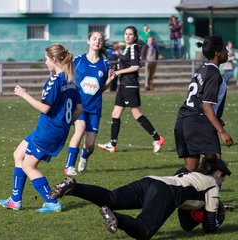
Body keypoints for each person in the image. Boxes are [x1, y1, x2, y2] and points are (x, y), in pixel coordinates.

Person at [49, 154, 231, 239]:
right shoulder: (213, 186)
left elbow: (185, 225)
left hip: (151, 181)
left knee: (111, 197)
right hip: (165, 191)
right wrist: (217, 221)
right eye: (223, 177)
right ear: (219, 174)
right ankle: (116, 218)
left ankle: (74, 187)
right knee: (143, 231)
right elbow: (209, 228)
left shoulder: (189, 173)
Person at [0, 43, 82, 213]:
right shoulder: (70, 79)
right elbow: (79, 108)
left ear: (55, 59)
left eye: (46, 59)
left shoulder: (55, 80)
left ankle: (52, 202)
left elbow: (45, 108)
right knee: (18, 154)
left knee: (29, 166)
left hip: (48, 131)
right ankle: (15, 199)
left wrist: (24, 95)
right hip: (53, 129)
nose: (45, 62)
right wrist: (66, 123)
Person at [98, 26, 165, 154]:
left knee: (136, 114)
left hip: (130, 86)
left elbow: (135, 66)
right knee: (115, 114)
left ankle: (158, 138)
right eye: (126, 34)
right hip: (123, 86)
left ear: (135, 37)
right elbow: (126, 64)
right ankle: (112, 144)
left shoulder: (133, 48)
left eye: (130, 34)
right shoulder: (127, 49)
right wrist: (117, 67)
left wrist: (118, 71)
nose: (128, 36)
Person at [174, 35, 233, 174]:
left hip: (184, 120)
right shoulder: (213, 73)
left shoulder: (202, 68)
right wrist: (222, 132)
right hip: (198, 121)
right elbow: (206, 106)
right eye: (225, 49)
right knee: (216, 168)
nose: (227, 52)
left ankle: (170, 190)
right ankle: (210, 196)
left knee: (190, 169)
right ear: (218, 53)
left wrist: (217, 119)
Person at [63, 32, 116, 175]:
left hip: (94, 108)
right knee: (80, 129)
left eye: (100, 40)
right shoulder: (78, 60)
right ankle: (69, 166)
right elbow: (67, 76)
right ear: (88, 41)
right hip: (79, 106)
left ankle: (84, 156)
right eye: (94, 39)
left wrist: (109, 81)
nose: (97, 42)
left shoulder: (105, 64)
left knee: (90, 145)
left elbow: (101, 88)